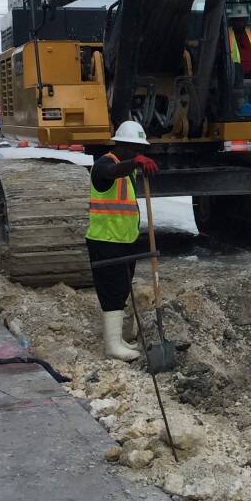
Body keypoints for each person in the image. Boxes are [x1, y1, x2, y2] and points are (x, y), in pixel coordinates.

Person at [85, 120, 159, 362]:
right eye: (134, 149)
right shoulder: (104, 164)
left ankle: (118, 339)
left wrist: (134, 164)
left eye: (141, 150)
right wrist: (133, 163)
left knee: (122, 289)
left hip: (125, 239)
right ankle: (112, 345)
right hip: (105, 239)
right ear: (120, 145)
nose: (139, 154)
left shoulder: (129, 168)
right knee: (112, 291)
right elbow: (109, 174)